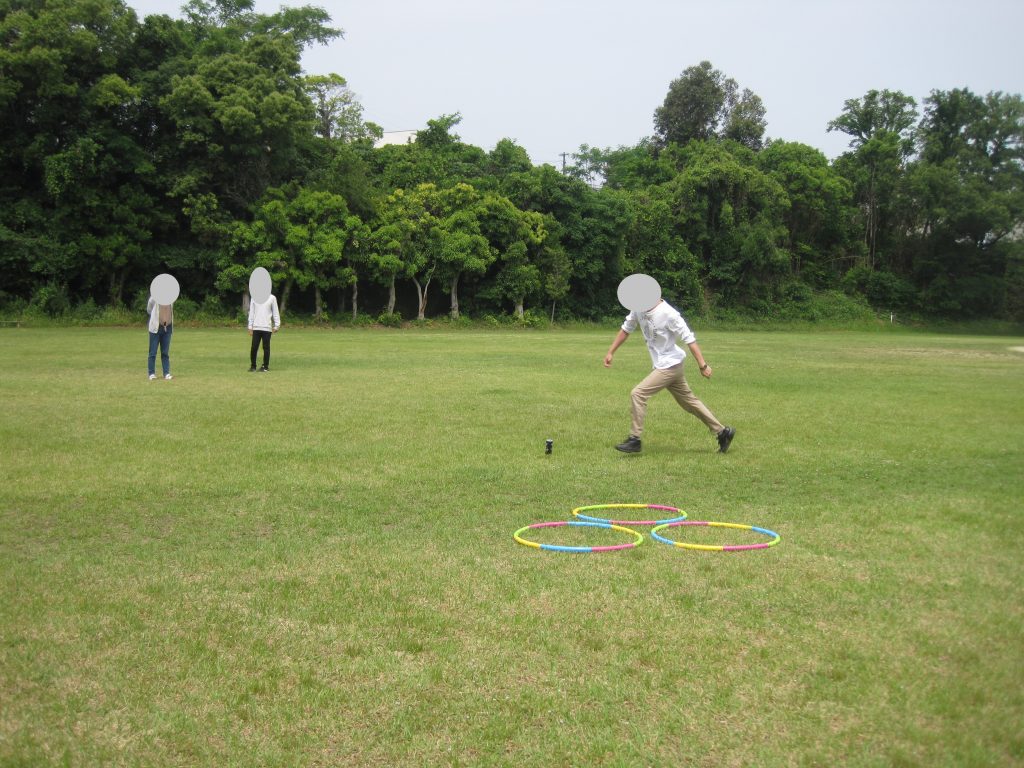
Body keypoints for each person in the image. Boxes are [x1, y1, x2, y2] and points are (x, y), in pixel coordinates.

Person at [604, 296, 734, 454]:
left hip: (670, 365)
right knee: (689, 402)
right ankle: (723, 432)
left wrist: (702, 365)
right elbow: (626, 329)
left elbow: (689, 339)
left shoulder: (669, 313)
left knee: (638, 393)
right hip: (667, 365)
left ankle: (634, 439)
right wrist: (611, 352)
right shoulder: (638, 308)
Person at [247, 293, 281, 372]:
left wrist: (277, 325)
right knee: (254, 347)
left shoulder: (272, 298)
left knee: (266, 347)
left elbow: (276, 312)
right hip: (256, 327)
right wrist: (250, 326)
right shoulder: (254, 298)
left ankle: (265, 366)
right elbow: (251, 312)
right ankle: (253, 366)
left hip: (267, 328)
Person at [147, 295, 173, 380]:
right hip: (156, 328)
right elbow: (149, 309)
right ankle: (151, 373)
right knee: (153, 352)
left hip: (167, 327)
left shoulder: (171, 297)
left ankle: (166, 373)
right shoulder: (154, 297)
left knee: (165, 352)